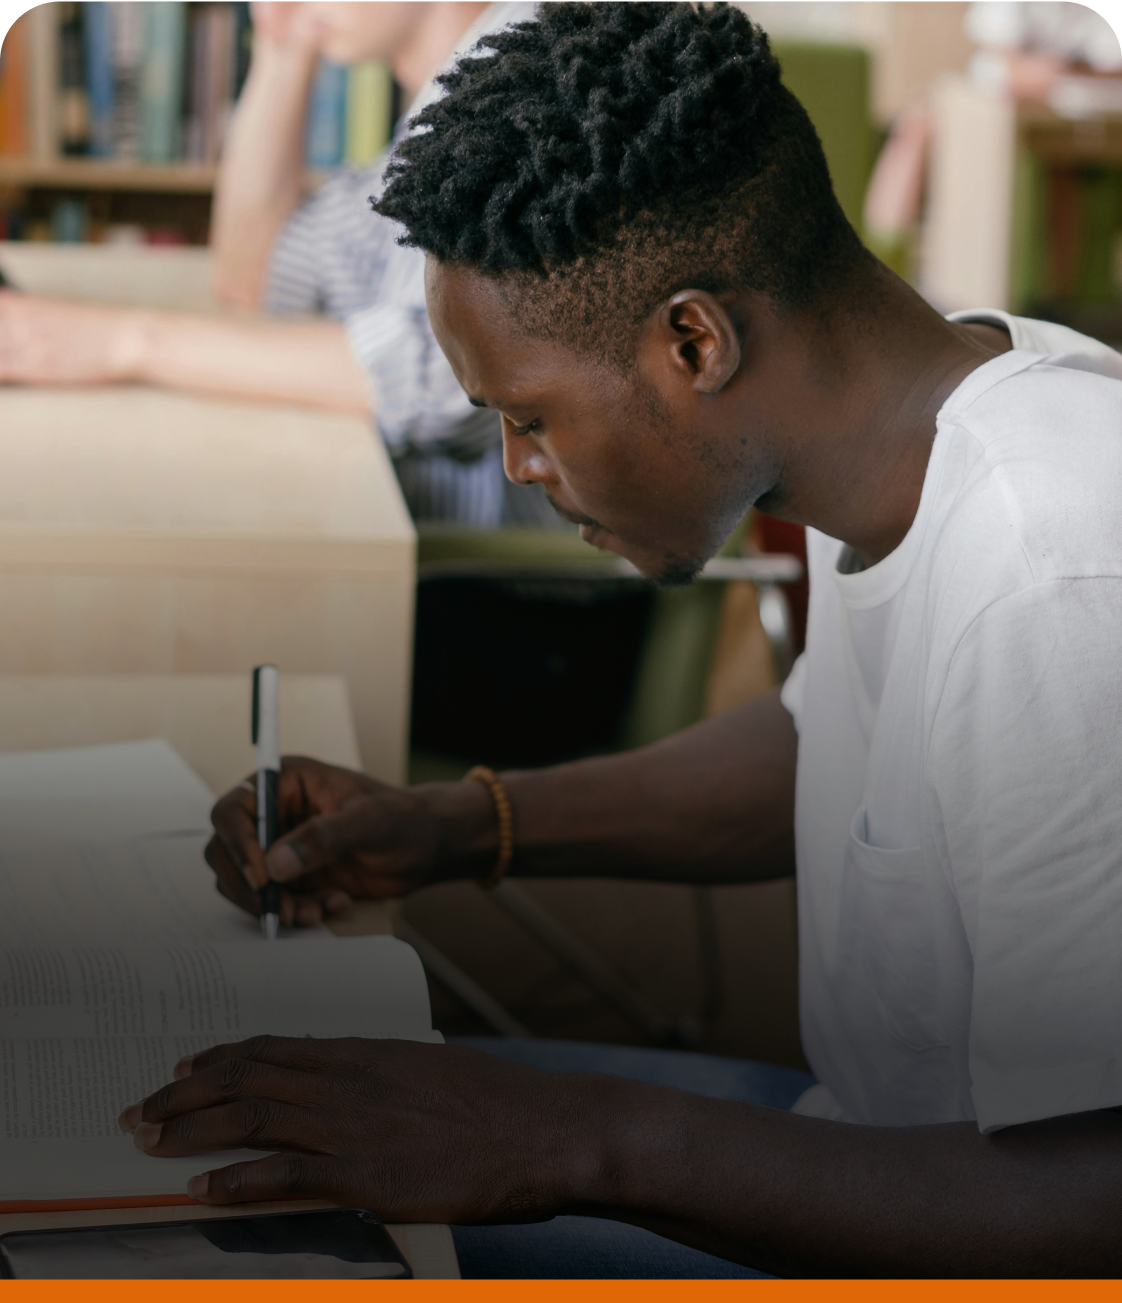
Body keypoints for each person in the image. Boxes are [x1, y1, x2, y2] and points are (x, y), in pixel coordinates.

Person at [118, 1, 1122, 1278]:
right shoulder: (892, 418)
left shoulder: (1058, 564)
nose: (518, 465)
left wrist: (577, 1143)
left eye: (527, 414)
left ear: (694, 341)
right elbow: (835, 741)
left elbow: (1094, 1204)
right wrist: (453, 825)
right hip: (855, 1141)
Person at [0, 0, 553, 527]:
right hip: (426, 537)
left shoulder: (522, 84)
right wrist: (281, 46)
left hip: (512, 583)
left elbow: (446, 382)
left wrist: (126, 343)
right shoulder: (446, 96)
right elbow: (257, 276)